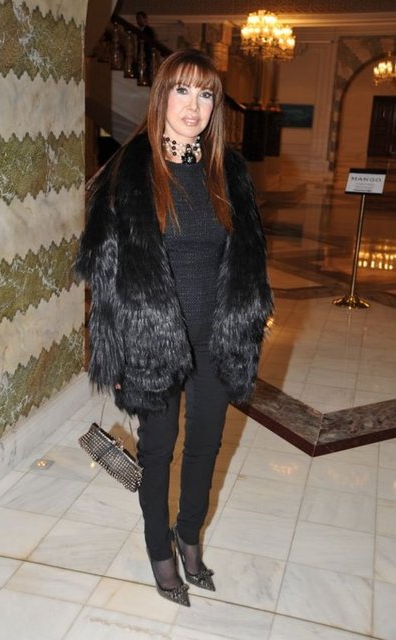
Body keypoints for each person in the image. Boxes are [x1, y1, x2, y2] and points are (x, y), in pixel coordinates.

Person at [76, 49, 273, 607]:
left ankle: (188, 537)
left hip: (216, 338)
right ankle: (157, 549)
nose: (194, 105)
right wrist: (114, 356)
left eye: (206, 94)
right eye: (183, 90)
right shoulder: (129, 173)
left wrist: (246, 326)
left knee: (205, 444)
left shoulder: (228, 173)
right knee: (158, 449)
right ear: (161, 96)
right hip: (151, 341)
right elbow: (106, 276)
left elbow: (247, 262)